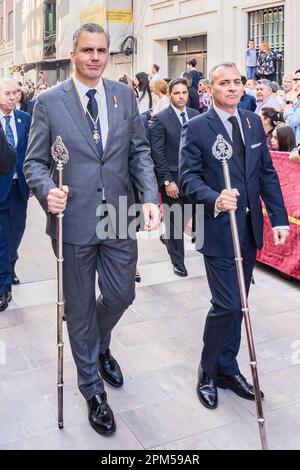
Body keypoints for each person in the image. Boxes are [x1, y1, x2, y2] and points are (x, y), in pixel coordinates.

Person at [24, 23, 160, 436]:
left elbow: (138, 151)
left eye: (101, 50)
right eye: (88, 50)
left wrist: (151, 196)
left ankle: (98, 344)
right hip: (73, 220)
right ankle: (91, 388)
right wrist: (48, 191)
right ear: (74, 54)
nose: (95, 57)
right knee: (79, 307)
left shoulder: (123, 96)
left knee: (122, 293)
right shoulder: (49, 102)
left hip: (119, 215)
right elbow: (33, 163)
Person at [179, 62, 289, 410]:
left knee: (239, 304)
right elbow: (188, 179)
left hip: (250, 229)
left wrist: (280, 220)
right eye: (223, 83)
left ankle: (228, 366)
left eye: (237, 82)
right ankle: (207, 371)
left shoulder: (252, 121)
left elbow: (266, 174)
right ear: (209, 90)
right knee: (226, 303)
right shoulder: (197, 128)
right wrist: (215, 197)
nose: (232, 88)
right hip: (217, 230)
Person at [150, 78, 199, 277]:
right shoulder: (160, 119)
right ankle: (178, 261)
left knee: (188, 215)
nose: (181, 96)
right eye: (177, 93)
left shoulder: (196, 115)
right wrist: (167, 180)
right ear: (170, 94)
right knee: (175, 220)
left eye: (184, 93)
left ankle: (168, 238)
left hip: (194, 178)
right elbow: (157, 153)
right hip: (172, 178)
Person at [0, 79, 31, 312]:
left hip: (19, 187)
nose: (13, 97)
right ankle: (4, 286)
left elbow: (31, 152)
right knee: (2, 237)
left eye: (16, 93)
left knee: (17, 232)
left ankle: (10, 265)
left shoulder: (25, 120)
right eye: (7, 93)